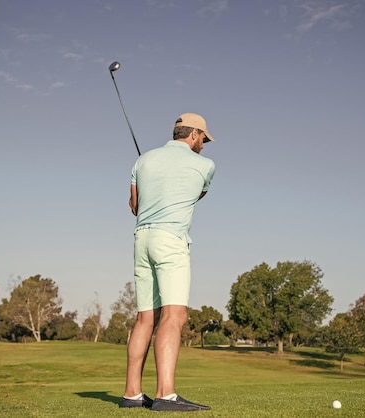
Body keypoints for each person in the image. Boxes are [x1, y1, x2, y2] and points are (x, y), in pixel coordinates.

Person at [120, 113, 216, 411]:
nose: (204, 144)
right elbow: (194, 196)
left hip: (141, 239)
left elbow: (135, 207)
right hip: (170, 240)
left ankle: (132, 394)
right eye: (203, 138)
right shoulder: (206, 166)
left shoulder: (142, 161)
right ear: (194, 134)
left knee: (145, 318)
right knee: (174, 316)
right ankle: (166, 394)